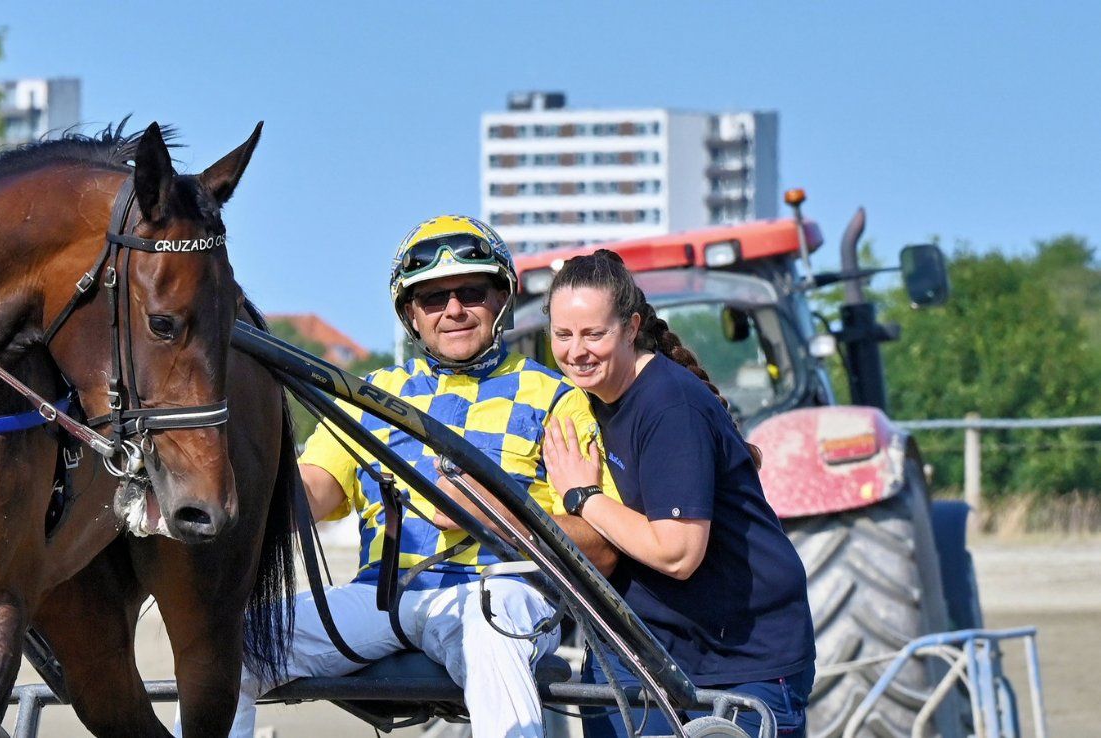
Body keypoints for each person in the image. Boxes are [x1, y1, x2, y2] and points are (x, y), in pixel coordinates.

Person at [217, 216, 620, 738]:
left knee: (492, 627)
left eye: (470, 292)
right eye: (433, 298)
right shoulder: (370, 393)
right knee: (230, 647)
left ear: (501, 300)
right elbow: (309, 493)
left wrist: (489, 512)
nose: (452, 310)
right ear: (411, 314)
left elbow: (604, 551)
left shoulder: (556, 398)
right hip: (383, 600)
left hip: (496, 595)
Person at [539, 250, 816, 737]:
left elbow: (678, 553)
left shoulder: (670, 406)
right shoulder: (581, 402)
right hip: (635, 647)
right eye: (563, 335)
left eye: (593, 334)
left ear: (630, 328)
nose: (576, 351)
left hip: (737, 659)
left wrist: (583, 496)